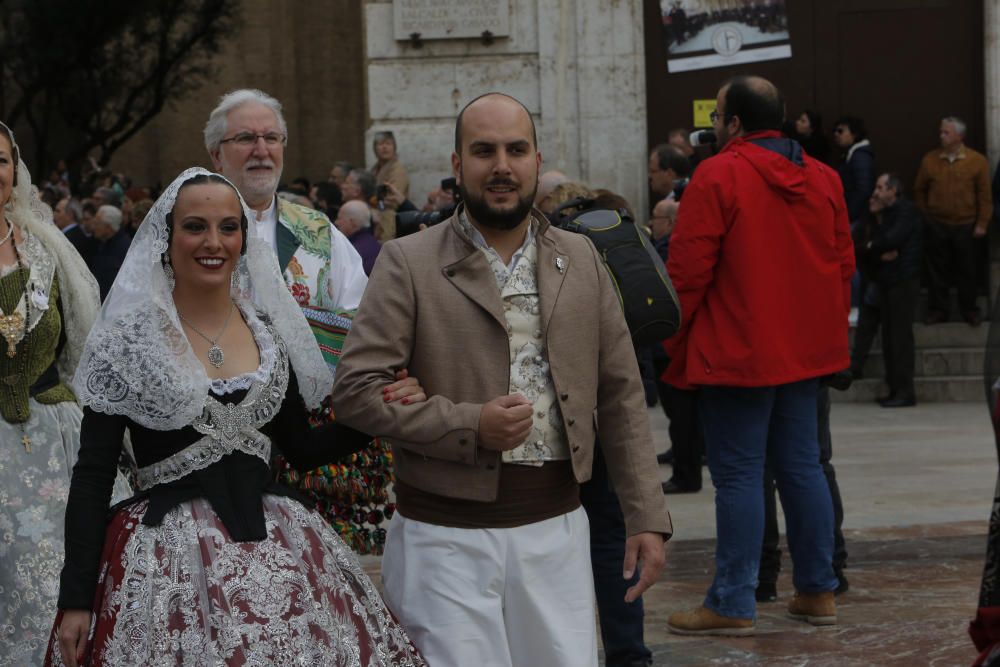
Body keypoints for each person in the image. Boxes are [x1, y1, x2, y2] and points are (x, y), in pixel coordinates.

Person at [331, 92, 671, 667]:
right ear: (458, 164)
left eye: (516, 150)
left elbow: (620, 393)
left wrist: (645, 514)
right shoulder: (407, 261)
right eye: (483, 151)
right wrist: (469, 423)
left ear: (537, 160)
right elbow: (356, 393)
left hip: (557, 531)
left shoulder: (582, 258)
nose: (502, 166)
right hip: (443, 540)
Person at [47, 168, 427, 667]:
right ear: (167, 237)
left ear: (244, 239)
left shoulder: (270, 335)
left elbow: (303, 449)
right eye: (195, 226)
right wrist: (76, 599)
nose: (214, 242)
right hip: (168, 569)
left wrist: (382, 412)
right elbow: (94, 474)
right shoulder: (127, 342)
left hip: (281, 553)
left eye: (229, 227)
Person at [665, 76, 853, 635]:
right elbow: (844, 264)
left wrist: (672, 339)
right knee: (802, 467)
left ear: (735, 124)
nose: (716, 126)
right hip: (805, 352)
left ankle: (731, 601)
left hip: (739, 349)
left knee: (741, 476)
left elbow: (688, 271)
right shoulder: (823, 178)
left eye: (719, 116)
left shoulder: (718, 173)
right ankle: (818, 591)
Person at [205, 89, 392, 555]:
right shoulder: (190, 231)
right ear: (216, 153)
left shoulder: (316, 230)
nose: (261, 150)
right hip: (219, 449)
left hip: (313, 450)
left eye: (272, 137)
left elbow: (363, 319)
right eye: (245, 137)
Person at [0, 122, 130, 665]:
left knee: (69, 588)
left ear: (14, 170)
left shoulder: (49, 247)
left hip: (56, 446)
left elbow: (83, 350)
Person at [915, 116, 992, 326]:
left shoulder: (976, 161)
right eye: (941, 132)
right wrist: (926, 216)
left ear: (959, 136)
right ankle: (938, 310)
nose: (941, 136)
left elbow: (984, 195)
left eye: (946, 132)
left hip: (966, 224)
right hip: (937, 223)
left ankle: (969, 309)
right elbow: (919, 190)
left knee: (967, 270)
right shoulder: (930, 160)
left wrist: (982, 223)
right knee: (936, 270)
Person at [863, 173, 922, 406]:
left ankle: (905, 391)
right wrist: (876, 248)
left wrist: (873, 246)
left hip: (903, 280)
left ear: (893, 191)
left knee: (899, 338)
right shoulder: (886, 214)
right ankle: (895, 388)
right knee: (889, 337)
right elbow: (881, 243)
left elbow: (892, 239)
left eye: (880, 187)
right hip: (889, 280)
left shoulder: (905, 211)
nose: (876, 192)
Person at [833, 115, 875, 223]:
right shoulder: (852, 154)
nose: (836, 134)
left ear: (854, 133)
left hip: (855, 217)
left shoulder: (861, 157)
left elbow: (863, 190)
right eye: (835, 131)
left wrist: (847, 216)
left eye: (841, 131)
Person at [335, 199, 382, 276]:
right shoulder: (375, 244)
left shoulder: (351, 251)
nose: (336, 222)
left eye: (339, 218)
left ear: (353, 223)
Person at [371, 130, 410, 200]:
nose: (385, 147)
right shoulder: (374, 170)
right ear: (375, 149)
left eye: (388, 143)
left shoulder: (398, 171)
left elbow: (393, 199)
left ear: (394, 148)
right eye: (380, 144)